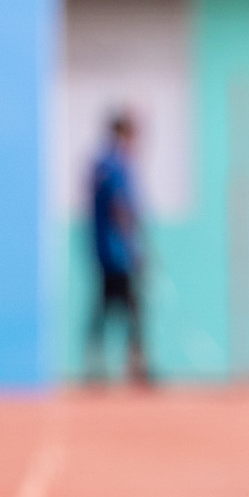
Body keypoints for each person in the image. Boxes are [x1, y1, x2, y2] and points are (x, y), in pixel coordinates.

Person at [85, 112, 149, 385]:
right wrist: (133, 244)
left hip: (104, 248)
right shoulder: (116, 164)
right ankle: (134, 364)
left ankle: (99, 362)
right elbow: (120, 206)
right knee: (129, 306)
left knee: (106, 305)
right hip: (118, 251)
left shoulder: (102, 163)